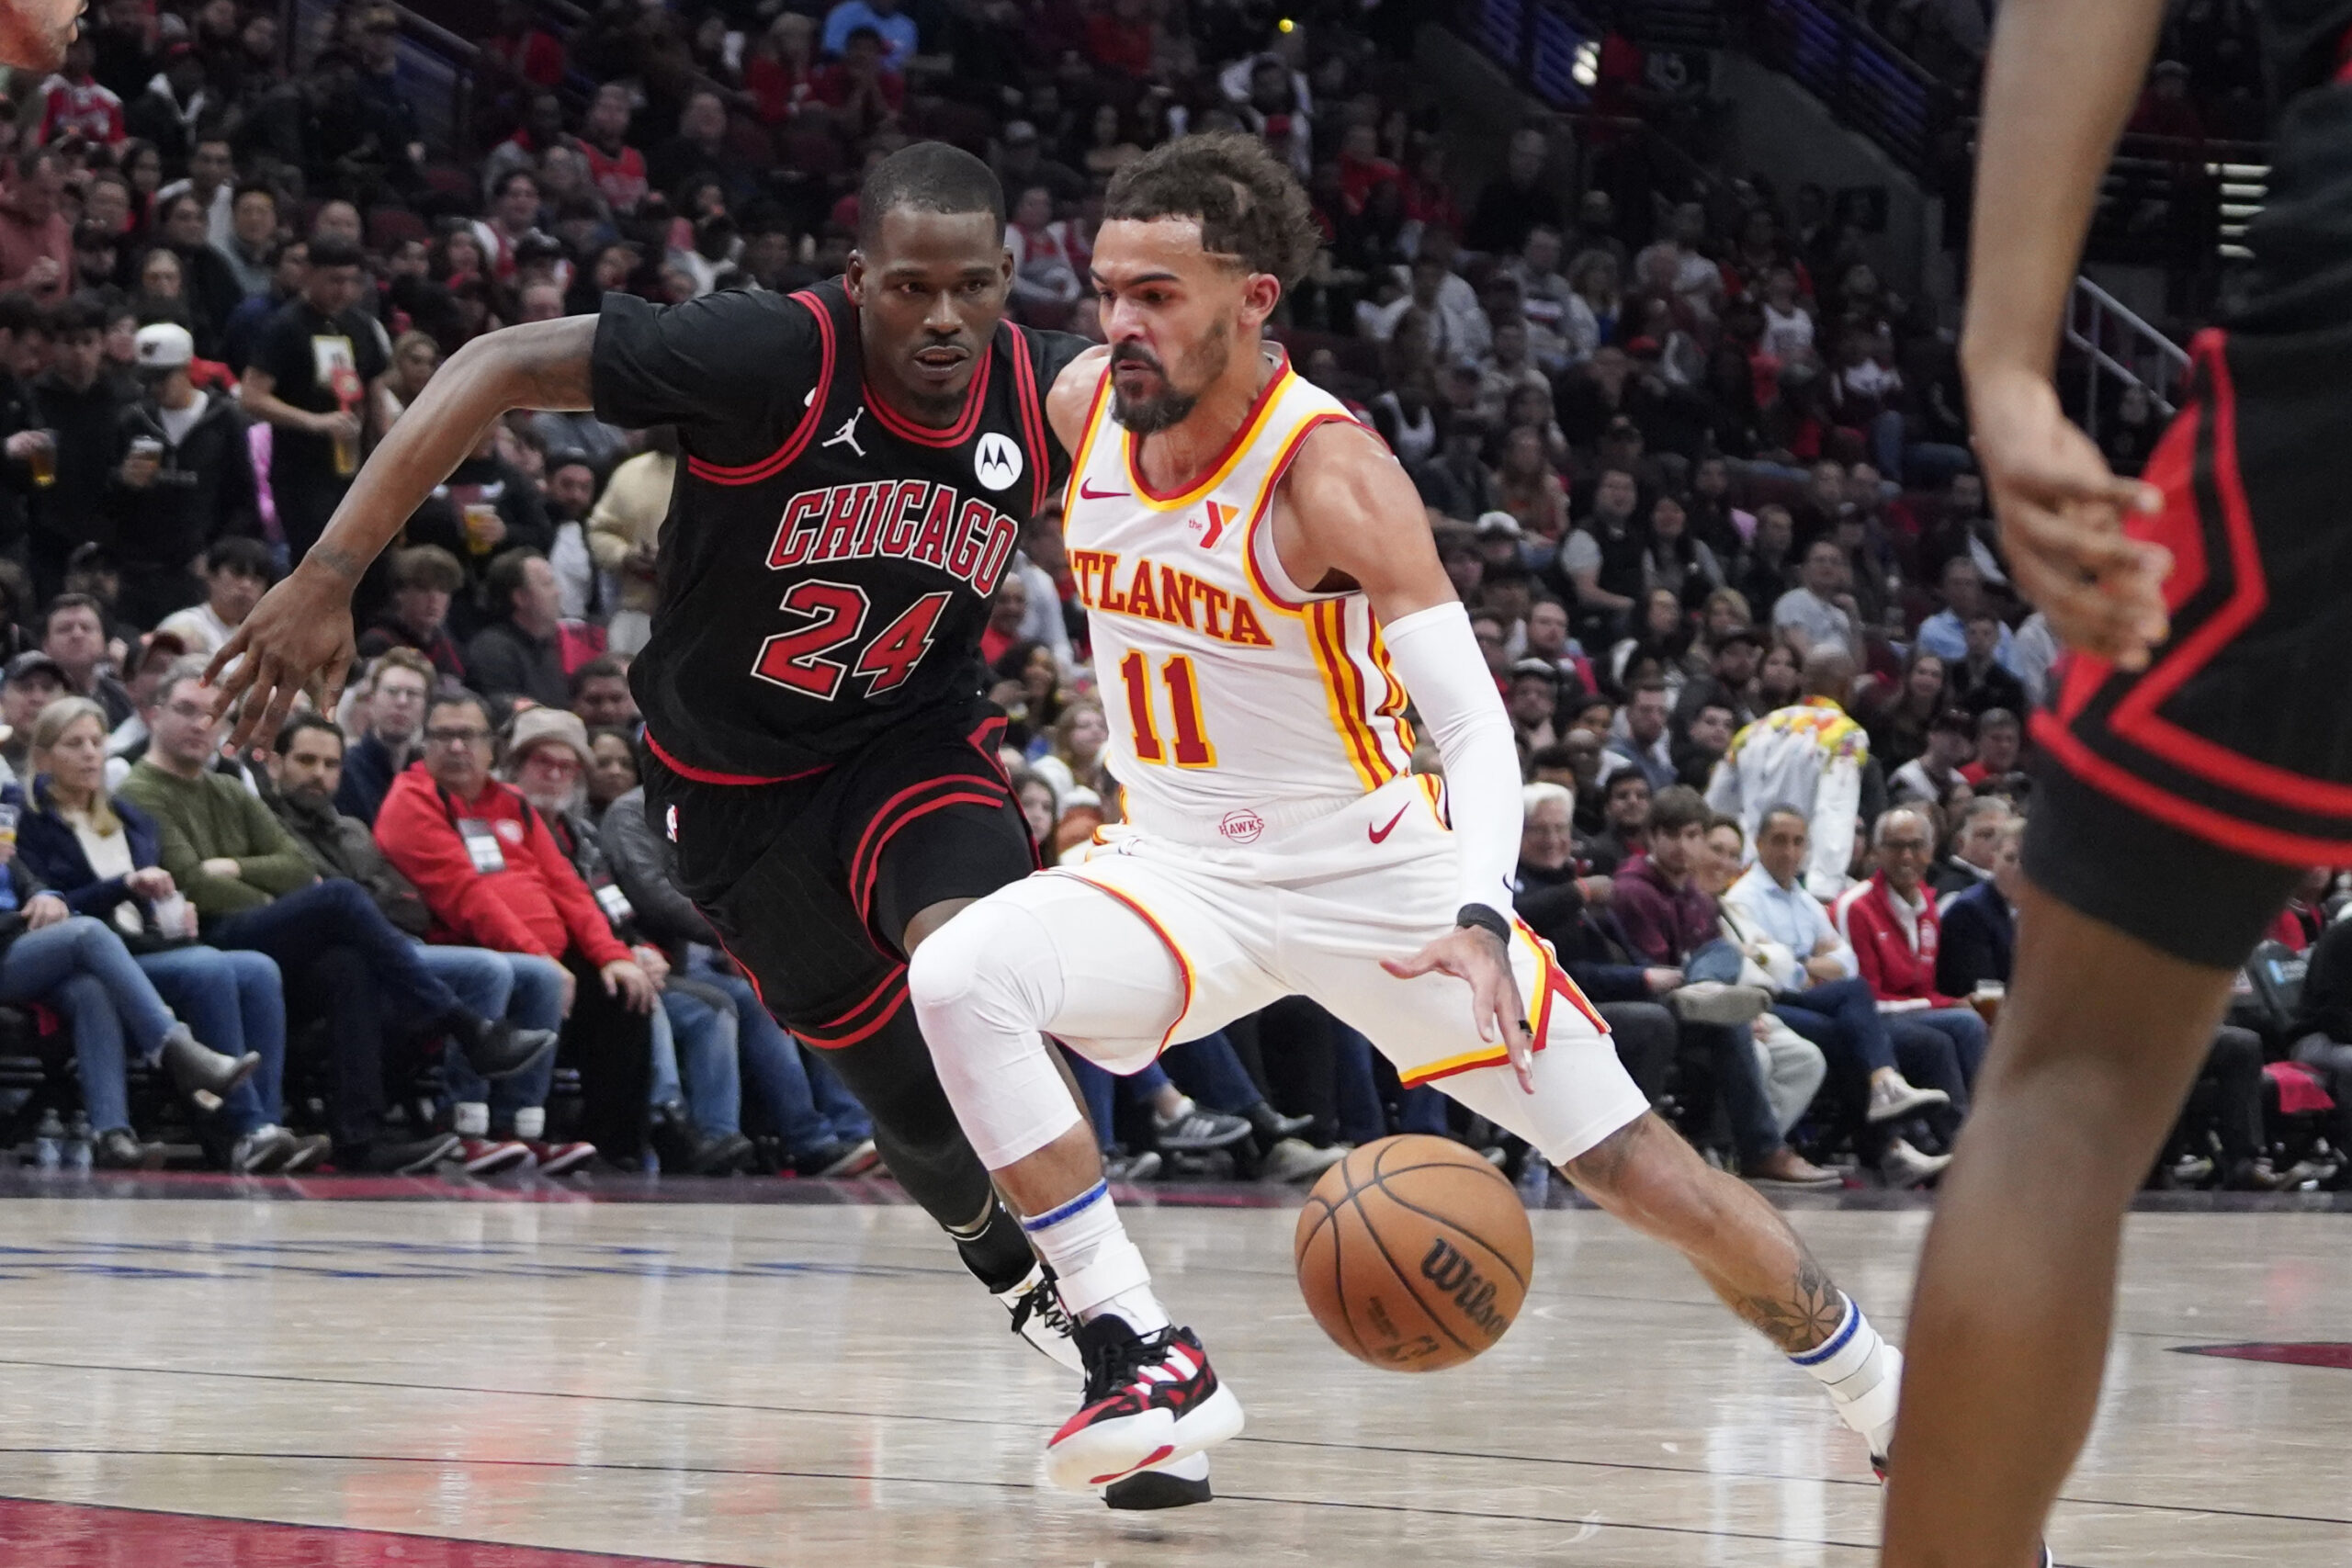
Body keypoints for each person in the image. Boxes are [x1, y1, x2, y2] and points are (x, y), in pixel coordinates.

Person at [899, 132, 1904, 1494]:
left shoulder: (1330, 472)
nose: (1121, 323)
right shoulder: (1084, 404)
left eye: (1160, 294)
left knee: (1642, 1172)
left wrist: (1484, 911)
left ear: (1254, 297)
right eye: (1109, 289)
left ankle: (1888, 1396)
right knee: (961, 973)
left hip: (1376, 873)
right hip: (1175, 864)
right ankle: (1139, 1343)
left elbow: (1477, 725)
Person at [206, 141, 1124, 1480]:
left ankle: (1124, 1326)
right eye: (911, 286)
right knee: (912, 1113)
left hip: (911, 745)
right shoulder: (766, 352)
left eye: (973, 288)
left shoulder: (1042, 386)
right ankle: (1011, 1270)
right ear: (858, 277)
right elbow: (497, 361)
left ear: (1008, 283)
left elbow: (1185, 423)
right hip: (736, 789)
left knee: (967, 969)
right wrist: (332, 570)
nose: (942, 319)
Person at [122, 660, 558, 1172]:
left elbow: (296, 865)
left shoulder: (228, 789)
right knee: (341, 899)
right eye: (186, 711)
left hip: (256, 933)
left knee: (349, 966)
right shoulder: (140, 791)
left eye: (213, 713)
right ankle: (465, 1026)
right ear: (154, 716)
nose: (201, 724)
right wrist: (270, 896)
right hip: (205, 938)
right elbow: (194, 883)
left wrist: (236, 868)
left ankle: (359, 1137)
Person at [265, 709, 593, 1176]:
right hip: (332, 963)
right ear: (275, 764)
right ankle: (464, 1125)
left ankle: (520, 1129)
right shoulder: (270, 821)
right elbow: (303, 892)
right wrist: (360, 905)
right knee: (489, 969)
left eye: (330, 764)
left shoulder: (352, 831)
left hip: (397, 949)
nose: (319, 775)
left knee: (540, 973)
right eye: (306, 761)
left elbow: (410, 907)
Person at [14, 694, 321, 1172]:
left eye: (96, 741)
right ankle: (240, 1129)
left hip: (147, 947)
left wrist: (173, 914)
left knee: (259, 969)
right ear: (44, 756)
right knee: (210, 968)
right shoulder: (32, 822)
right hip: (96, 954)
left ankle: (268, 1123)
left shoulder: (132, 819)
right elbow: (54, 907)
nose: (91, 753)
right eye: (74, 744)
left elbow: (151, 900)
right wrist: (123, 887)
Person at [1724, 805, 1955, 1189]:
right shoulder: (1744, 897)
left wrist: (1798, 964)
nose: (1789, 851)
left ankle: (1905, 1139)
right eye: (1779, 841)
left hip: (1809, 1001)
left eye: (1798, 841)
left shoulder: (1801, 897)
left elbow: (1845, 960)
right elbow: (1773, 971)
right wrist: (1809, 965)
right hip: (1768, 1003)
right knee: (1854, 1009)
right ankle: (1889, 1133)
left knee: (1876, 1021)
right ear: (1760, 843)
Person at [238, 237, 388, 560]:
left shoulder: (361, 325)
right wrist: (315, 422)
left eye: (352, 281)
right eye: (335, 280)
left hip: (355, 465)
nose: (344, 291)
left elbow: (375, 392)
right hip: (301, 470)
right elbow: (251, 397)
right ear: (309, 274)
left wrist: (388, 448)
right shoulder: (284, 327)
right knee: (317, 560)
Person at [1705, 647, 1868, 899]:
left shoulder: (1753, 731)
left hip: (1742, 876)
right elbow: (1834, 811)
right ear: (1848, 687)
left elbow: (1716, 810)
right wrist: (1825, 887)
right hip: (1797, 879)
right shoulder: (1844, 735)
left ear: (1802, 682)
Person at [334, 647, 429, 825]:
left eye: (413, 694)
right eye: (392, 692)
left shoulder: (429, 774)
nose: (402, 702)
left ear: (425, 708)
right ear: (371, 701)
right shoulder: (346, 769)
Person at [464, 548, 569, 709]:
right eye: (547, 584)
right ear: (520, 597)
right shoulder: (493, 650)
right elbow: (502, 710)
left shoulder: (545, 646)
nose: (557, 592)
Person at [154, 536, 270, 663]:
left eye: (256, 579)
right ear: (212, 576)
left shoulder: (260, 641)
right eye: (237, 573)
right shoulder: (182, 627)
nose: (246, 585)